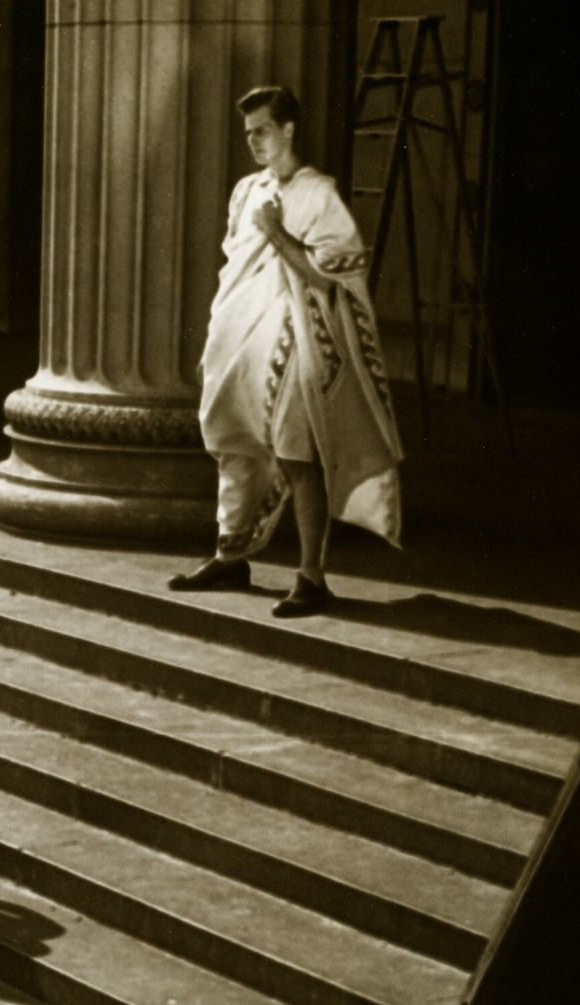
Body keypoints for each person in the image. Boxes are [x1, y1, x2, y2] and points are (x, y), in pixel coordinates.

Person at [168, 85, 403, 617]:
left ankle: (312, 578)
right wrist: (218, 334)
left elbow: (331, 280)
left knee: (299, 458)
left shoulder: (320, 195)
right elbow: (233, 270)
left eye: (263, 131)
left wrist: (277, 232)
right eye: (248, 133)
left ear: (289, 129)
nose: (253, 141)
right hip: (241, 338)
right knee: (232, 443)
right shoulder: (246, 190)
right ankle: (231, 555)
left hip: (296, 341)